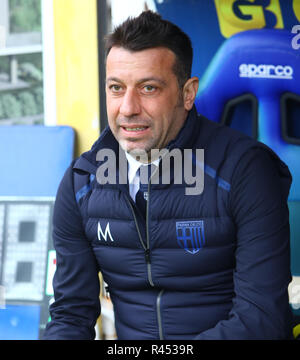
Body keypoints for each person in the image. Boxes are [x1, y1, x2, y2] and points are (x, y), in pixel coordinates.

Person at [43, 11, 293, 340]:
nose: (128, 108)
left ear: (187, 94)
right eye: (116, 88)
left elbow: (261, 319)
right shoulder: (81, 183)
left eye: (148, 88)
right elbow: (70, 314)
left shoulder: (246, 170)